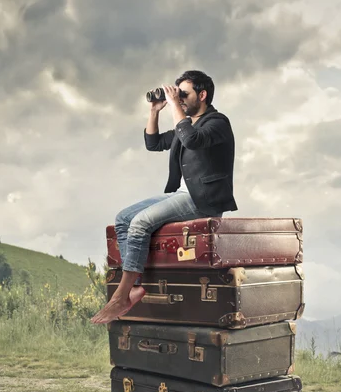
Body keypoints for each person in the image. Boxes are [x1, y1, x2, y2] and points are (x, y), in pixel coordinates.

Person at [91, 70, 237, 324]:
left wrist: (173, 105)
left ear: (202, 95)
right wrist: (155, 110)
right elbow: (154, 142)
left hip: (203, 199)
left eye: (184, 94)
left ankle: (121, 296)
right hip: (182, 195)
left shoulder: (217, 123)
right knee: (124, 218)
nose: (179, 99)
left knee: (140, 223)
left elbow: (192, 140)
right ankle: (135, 285)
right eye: (177, 94)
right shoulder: (186, 125)